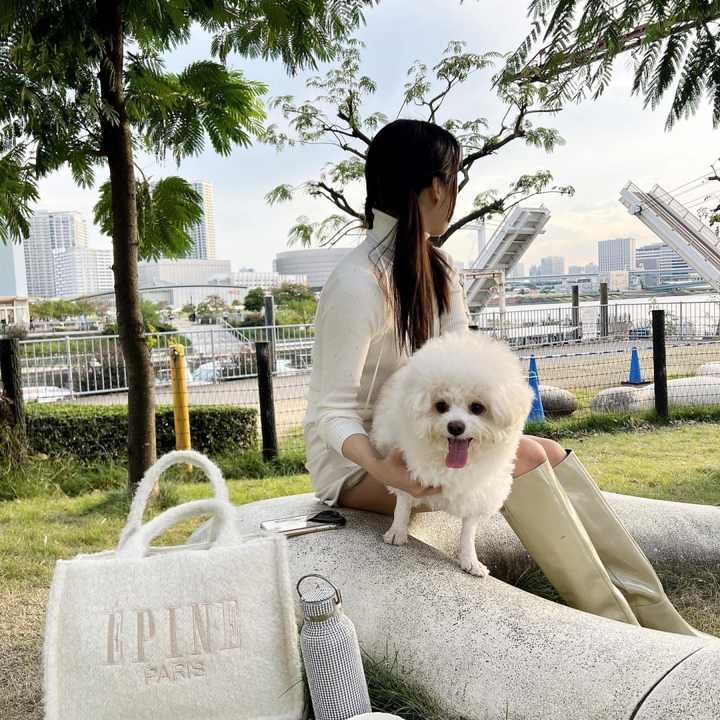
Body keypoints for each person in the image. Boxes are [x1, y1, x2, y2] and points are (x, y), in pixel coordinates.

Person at [302, 118, 698, 636]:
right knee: (529, 456)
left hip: (434, 439)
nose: (455, 194)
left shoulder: (439, 269)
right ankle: (619, 626)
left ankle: (654, 613)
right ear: (435, 187)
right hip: (360, 465)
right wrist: (385, 468)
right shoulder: (356, 284)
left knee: (546, 451)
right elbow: (332, 410)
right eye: (454, 179)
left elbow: (467, 363)